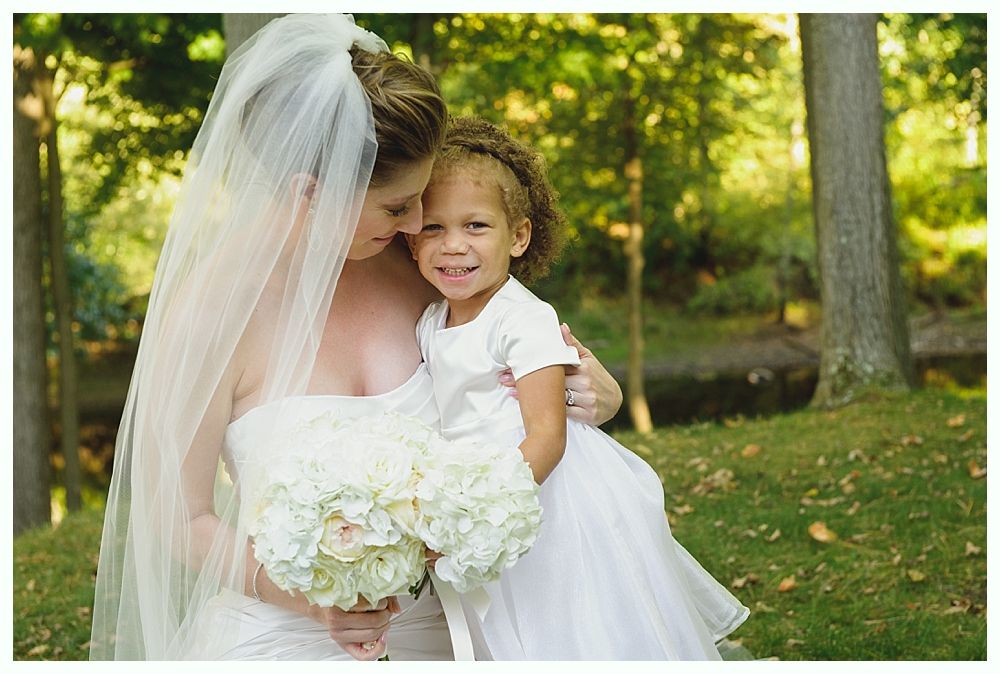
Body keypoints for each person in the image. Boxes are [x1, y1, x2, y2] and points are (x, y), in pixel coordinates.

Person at [90, 15, 622, 661]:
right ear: (311, 192)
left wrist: (593, 395)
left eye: (421, 197)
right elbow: (181, 518)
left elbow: (516, 385)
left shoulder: (425, 271)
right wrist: (312, 596)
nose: (422, 223)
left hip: (476, 626)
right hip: (291, 636)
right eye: (398, 207)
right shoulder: (209, 316)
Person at [406, 116, 750, 660]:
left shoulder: (523, 319)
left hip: (547, 498)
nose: (453, 247)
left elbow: (548, 435)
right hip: (478, 492)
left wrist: (475, 516)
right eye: (433, 228)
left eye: (476, 226)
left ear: (518, 236)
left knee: (570, 624)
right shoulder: (431, 320)